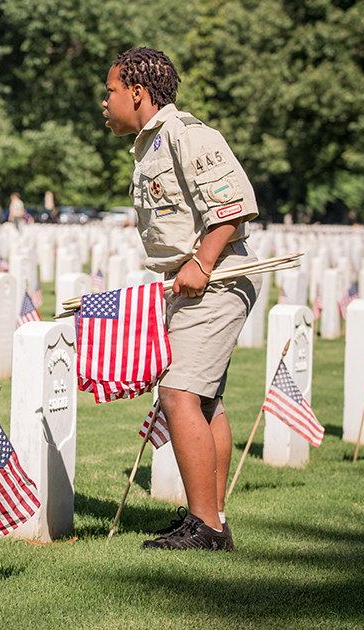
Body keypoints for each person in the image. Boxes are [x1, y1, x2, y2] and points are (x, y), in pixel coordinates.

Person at [102, 47, 260, 551]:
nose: (104, 103)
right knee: (205, 400)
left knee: (177, 394)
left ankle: (207, 528)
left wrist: (203, 263)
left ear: (137, 93)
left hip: (214, 277)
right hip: (193, 278)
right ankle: (208, 517)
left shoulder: (189, 135)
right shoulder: (150, 145)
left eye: (110, 92)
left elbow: (231, 208)